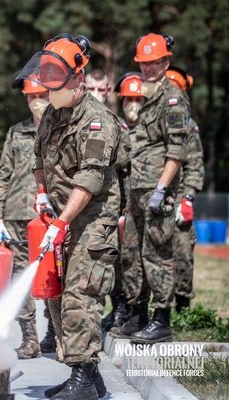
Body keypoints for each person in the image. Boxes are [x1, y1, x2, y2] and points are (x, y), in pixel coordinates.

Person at [14, 33, 120, 400]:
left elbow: (90, 179)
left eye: (54, 84)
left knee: (80, 295)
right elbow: (38, 158)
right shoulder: (52, 115)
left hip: (91, 218)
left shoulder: (97, 121)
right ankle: (86, 373)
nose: (48, 91)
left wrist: (62, 222)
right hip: (60, 218)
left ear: (78, 77)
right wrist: (43, 195)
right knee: (55, 297)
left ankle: (84, 382)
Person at [117, 33, 191, 344]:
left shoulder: (172, 99)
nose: (148, 68)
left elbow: (177, 150)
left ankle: (162, 319)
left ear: (165, 62)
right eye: (143, 64)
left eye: (154, 63)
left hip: (157, 191)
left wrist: (163, 189)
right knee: (132, 254)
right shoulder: (146, 98)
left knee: (157, 254)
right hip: (136, 189)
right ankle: (138, 312)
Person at [0, 79, 50, 359]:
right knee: (18, 277)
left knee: (53, 274)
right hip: (16, 214)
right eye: (31, 97)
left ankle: (56, 336)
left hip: (50, 215)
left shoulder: (61, 129)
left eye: (41, 95)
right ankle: (29, 339)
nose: (36, 101)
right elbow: (3, 174)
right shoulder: (17, 133)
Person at [103, 72, 144, 332]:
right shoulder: (115, 125)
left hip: (143, 203)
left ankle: (138, 310)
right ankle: (122, 309)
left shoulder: (152, 128)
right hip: (120, 203)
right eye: (128, 99)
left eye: (137, 99)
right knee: (119, 259)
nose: (132, 104)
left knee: (139, 258)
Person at [165, 66, 204, 312]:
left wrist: (187, 199)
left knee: (181, 253)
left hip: (178, 198)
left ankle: (182, 306)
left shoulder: (188, 126)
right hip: (156, 197)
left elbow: (195, 164)